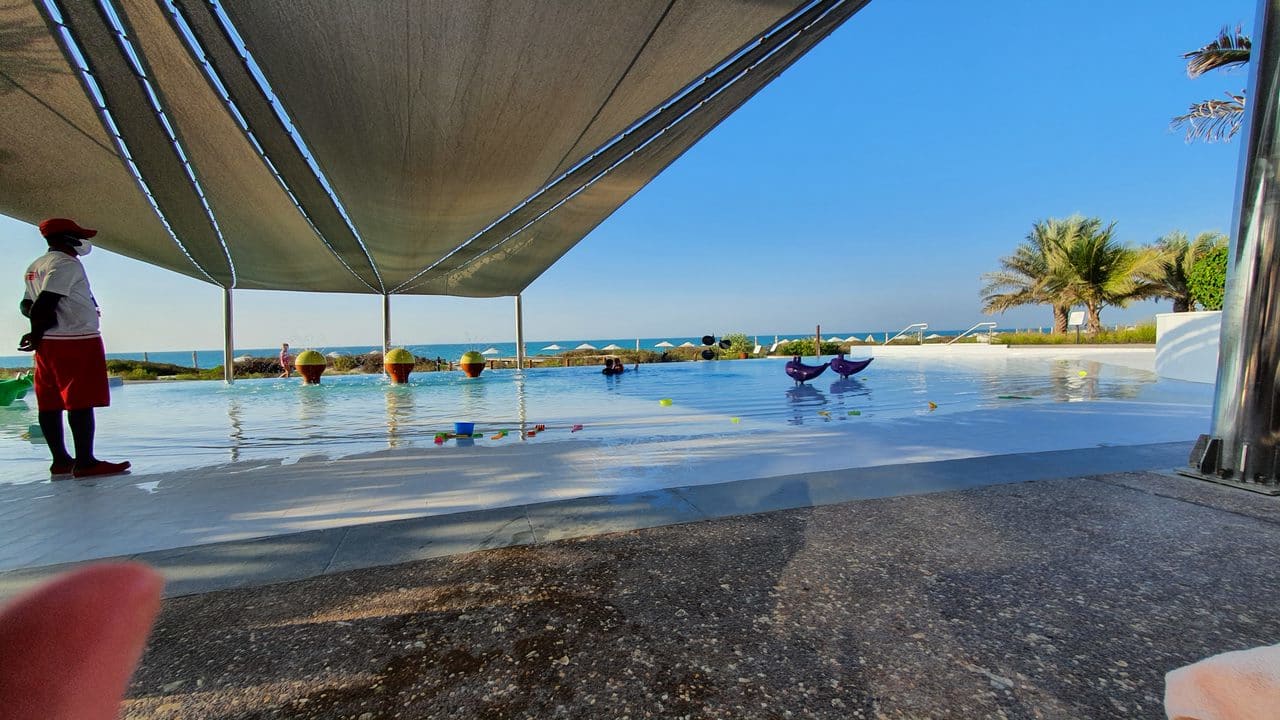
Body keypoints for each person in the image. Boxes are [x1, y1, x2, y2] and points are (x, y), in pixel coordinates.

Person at [19, 218, 130, 479]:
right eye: (79, 236)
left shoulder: (37, 266)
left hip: (50, 344)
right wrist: (37, 332)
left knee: (50, 402)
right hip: (75, 341)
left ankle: (60, 461)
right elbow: (46, 302)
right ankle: (86, 463)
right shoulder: (65, 263)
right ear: (66, 238)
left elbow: (26, 305)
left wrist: (40, 331)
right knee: (80, 402)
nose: (84, 242)